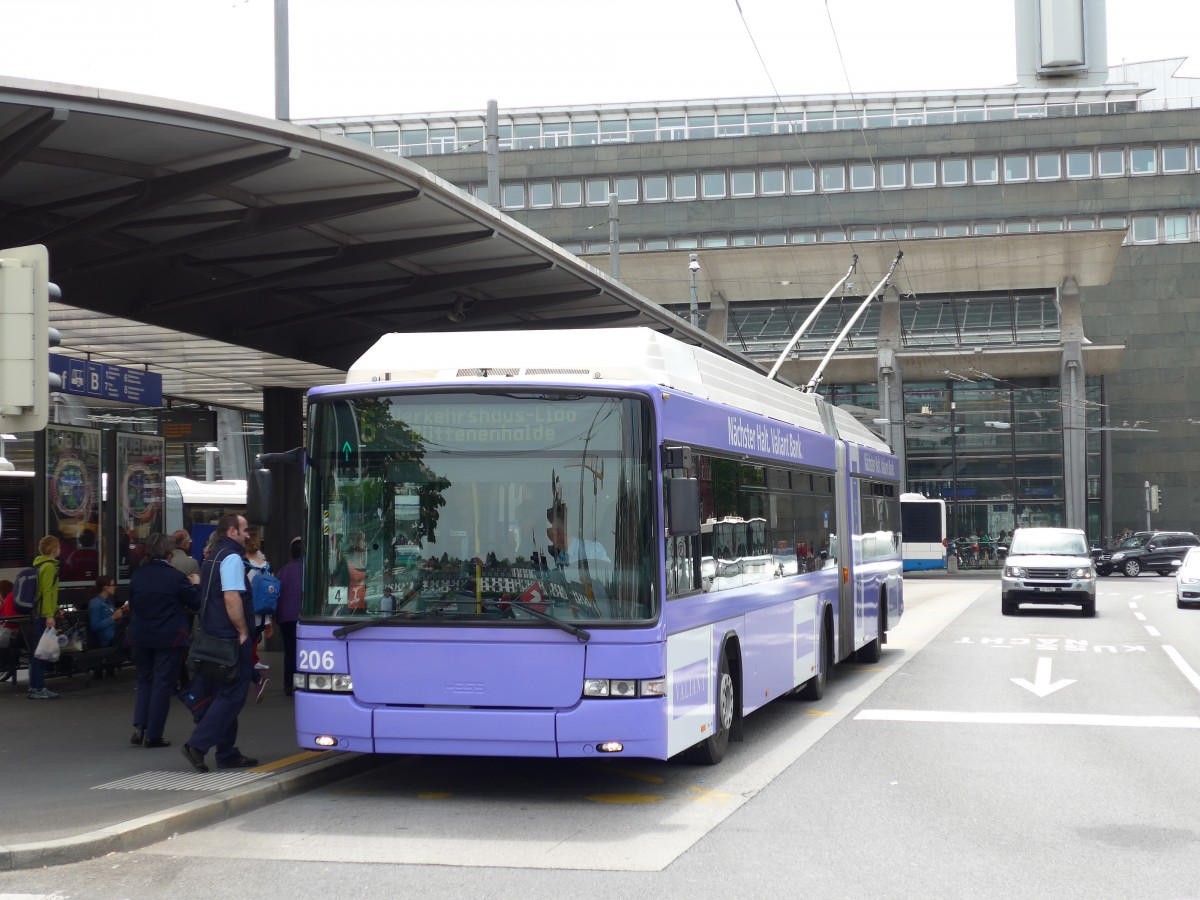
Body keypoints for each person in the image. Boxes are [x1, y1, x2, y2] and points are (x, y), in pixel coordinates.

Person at [181, 514, 259, 772]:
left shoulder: (211, 557)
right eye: (245, 530)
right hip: (230, 640)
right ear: (233, 530)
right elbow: (231, 598)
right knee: (232, 697)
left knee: (221, 695)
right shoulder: (233, 558)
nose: (248, 535)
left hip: (212, 636)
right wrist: (243, 631)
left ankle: (227, 753)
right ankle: (197, 745)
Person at [129, 533, 201, 748]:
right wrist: (196, 584)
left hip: (141, 636)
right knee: (162, 684)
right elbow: (195, 602)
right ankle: (154, 734)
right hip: (169, 637)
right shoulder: (175, 577)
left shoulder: (138, 576)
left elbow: (133, 604)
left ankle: (139, 726)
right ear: (169, 553)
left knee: (145, 680)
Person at [27, 535, 63, 700]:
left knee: (38, 652)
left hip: (39, 613)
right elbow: (47, 591)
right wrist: (50, 614)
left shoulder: (39, 565)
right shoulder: (48, 567)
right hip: (43, 615)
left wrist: (55, 609)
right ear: (52, 549)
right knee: (42, 652)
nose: (60, 549)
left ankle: (34, 686)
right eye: (58, 546)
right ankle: (39, 687)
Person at [243, 530, 272, 701]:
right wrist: (268, 621)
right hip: (261, 616)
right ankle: (255, 679)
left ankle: (257, 679)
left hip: (246, 616)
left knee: (241, 656)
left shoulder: (243, 564)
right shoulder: (267, 565)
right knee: (246, 653)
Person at [276, 537, 302, 697]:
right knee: (303, 652)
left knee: (290, 651)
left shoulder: (283, 570)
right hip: (304, 617)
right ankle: (301, 682)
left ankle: (288, 684)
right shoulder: (311, 569)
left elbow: (277, 593)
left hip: (286, 616)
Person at [87, 575, 125, 648]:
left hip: (114, 635)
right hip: (107, 640)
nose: (115, 587)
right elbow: (94, 626)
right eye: (113, 585)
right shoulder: (95, 603)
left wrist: (121, 611)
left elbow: (112, 617)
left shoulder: (107, 602)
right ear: (105, 587)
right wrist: (113, 617)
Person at [0, 579, 19, 683]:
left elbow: (8, 620)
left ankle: (4, 665)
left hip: (12, 632)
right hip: (16, 631)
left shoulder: (8, 600)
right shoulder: (13, 597)